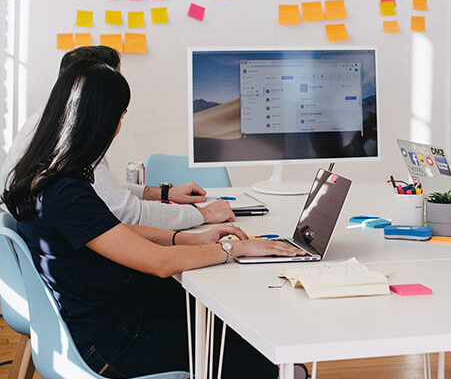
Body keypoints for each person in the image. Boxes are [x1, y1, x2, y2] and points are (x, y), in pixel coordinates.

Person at [2, 60, 305, 378]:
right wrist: (235, 250)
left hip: (102, 328)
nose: (119, 127)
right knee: (271, 363)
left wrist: (189, 238)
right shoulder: (66, 191)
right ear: (101, 121)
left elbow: (114, 231)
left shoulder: (42, 176)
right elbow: (160, 263)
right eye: (120, 116)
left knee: (220, 323)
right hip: (115, 345)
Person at [0, 46, 234, 230]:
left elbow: (100, 192)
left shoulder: (47, 123)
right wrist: (202, 215)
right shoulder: (72, 139)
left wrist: (164, 194)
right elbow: (128, 214)